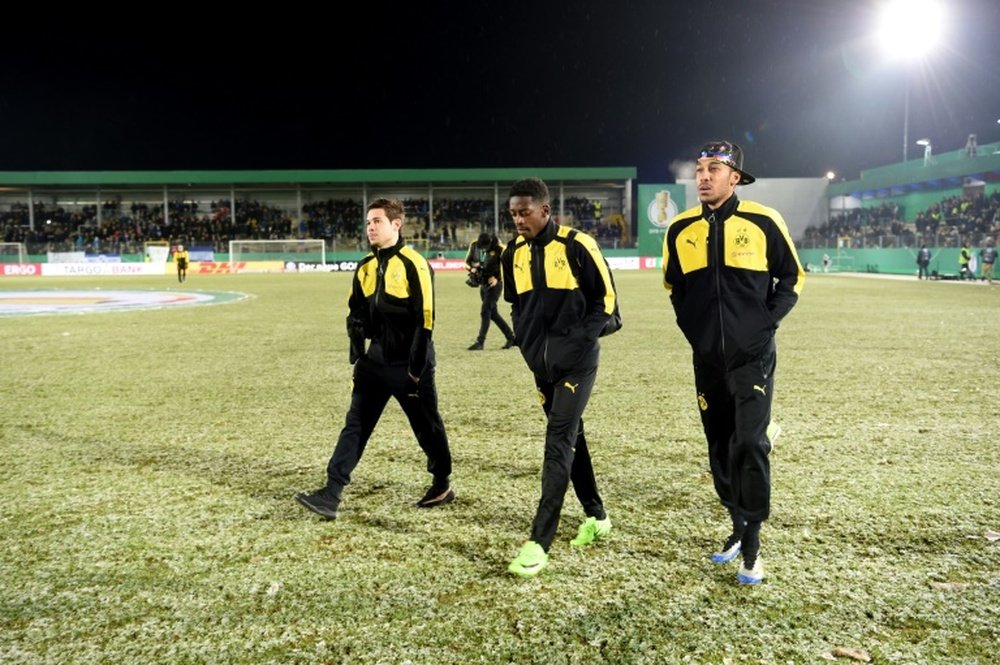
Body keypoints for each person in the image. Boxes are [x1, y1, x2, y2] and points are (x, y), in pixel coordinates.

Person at [661, 141, 804, 585]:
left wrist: (765, 325)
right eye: (699, 169)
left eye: (714, 169)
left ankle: (754, 546)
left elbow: (791, 278)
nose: (703, 177)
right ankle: (738, 526)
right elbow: (675, 288)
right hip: (708, 361)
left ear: (735, 177)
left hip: (752, 356)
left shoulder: (763, 221)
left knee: (751, 444)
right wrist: (696, 334)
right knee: (720, 447)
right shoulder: (680, 229)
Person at [295, 197, 455, 520]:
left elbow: (426, 321)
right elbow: (356, 310)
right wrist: (356, 342)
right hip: (374, 365)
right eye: (368, 222)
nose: (370, 227)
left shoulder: (415, 264)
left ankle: (442, 483)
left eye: (377, 221)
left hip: (410, 367)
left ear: (396, 224)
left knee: (427, 427)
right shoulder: (365, 266)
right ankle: (331, 492)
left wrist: (415, 371)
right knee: (355, 426)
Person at [500, 177, 621, 578]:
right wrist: (526, 344)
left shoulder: (576, 245)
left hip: (577, 364)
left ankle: (539, 542)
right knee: (573, 438)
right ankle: (597, 515)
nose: (518, 220)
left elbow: (606, 303)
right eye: (514, 213)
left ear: (545, 211)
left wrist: (576, 343)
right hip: (541, 367)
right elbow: (516, 305)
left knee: (558, 440)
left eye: (525, 212)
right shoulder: (512, 252)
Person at [465, 232, 517, 350]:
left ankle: (480, 342)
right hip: (483, 285)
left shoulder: (500, 249)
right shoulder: (474, 246)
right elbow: (467, 262)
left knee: (485, 311)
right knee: (493, 314)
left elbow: (510, 266)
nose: (483, 249)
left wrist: (498, 279)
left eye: (485, 247)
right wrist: (473, 268)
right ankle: (511, 337)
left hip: (495, 285)